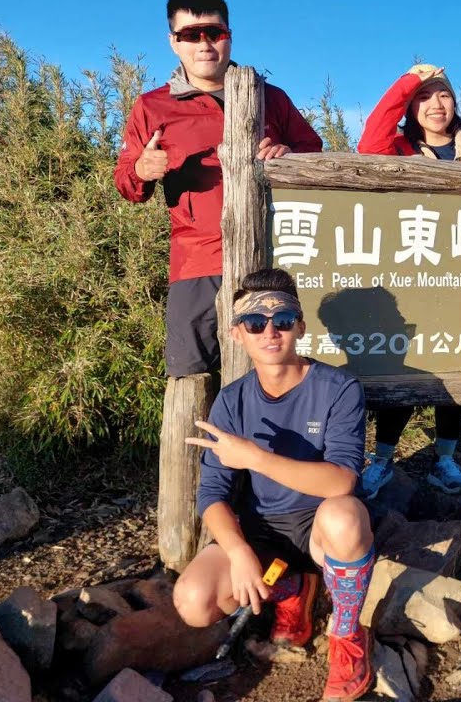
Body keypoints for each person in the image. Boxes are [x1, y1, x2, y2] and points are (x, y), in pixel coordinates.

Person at [174, 269, 375, 702]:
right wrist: (238, 550)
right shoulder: (232, 400)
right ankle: (293, 590)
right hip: (261, 527)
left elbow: (342, 480)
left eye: (283, 320)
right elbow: (211, 494)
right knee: (193, 601)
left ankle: (347, 637)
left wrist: (255, 458)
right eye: (255, 323)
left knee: (345, 516)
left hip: (319, 525)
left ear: (300, 327)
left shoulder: (339, 388)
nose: (270, 331)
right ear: (236, 333)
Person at [114, 0, 322, 379]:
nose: (204, 44)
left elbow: (313, 153)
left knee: (273, 371)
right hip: (197, 261)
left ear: (229, 35)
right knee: (192, 375)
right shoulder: (152, 106)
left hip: (271, 256)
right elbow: (125, 182)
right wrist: (142, 169)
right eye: (190, 35)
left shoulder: (269, 97)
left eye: (214, 33)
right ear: (173, 43)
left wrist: (286, 154)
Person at [354, 64, 461, 499]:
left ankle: (446, 459)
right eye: (423, 96)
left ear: (456, 102)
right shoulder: (398, 147)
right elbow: (368, 145)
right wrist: (405, 81)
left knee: (457, 359)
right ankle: (381, 462)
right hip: (412, 275)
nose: (435, 105)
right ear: (410, 105)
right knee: (407, 363)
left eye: (444, 95)